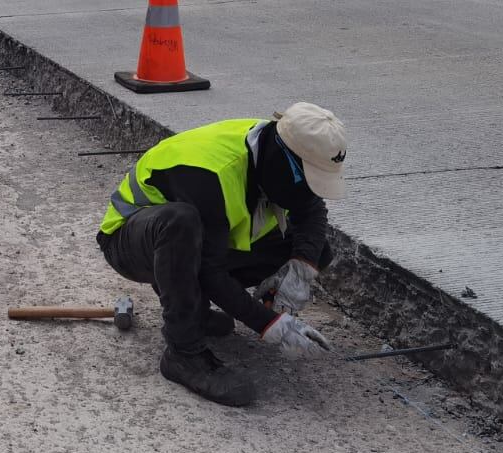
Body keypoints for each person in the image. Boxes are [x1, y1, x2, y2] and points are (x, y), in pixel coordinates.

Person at [96, 103, 346, 407]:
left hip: (196, 240)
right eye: (307, 181)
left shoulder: (280, 148)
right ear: (283, 161)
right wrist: (269, 324)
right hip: (131, 240)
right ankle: (183, 353)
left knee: (314, 248)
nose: (309, 192)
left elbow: (311, 208)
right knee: (181, 224)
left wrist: (300, 271)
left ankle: (193, 309)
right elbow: (209, 271)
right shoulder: (212, 173)